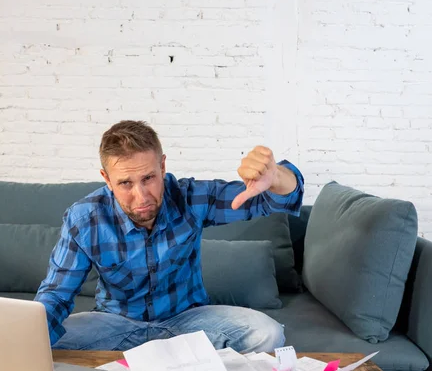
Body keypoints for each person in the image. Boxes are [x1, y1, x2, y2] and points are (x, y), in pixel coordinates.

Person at [34, 120, 304, 353]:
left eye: (149, 178)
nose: (141, 197)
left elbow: (276, 199)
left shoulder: (190, 198)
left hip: (188, 322)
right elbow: (57, 295)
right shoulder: (85, 219)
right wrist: (28, 335)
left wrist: (277, 176)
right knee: (40, 341)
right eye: (125, 183)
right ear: (106, 178)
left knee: (267, 332)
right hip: (116, 325)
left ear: (162, 167)